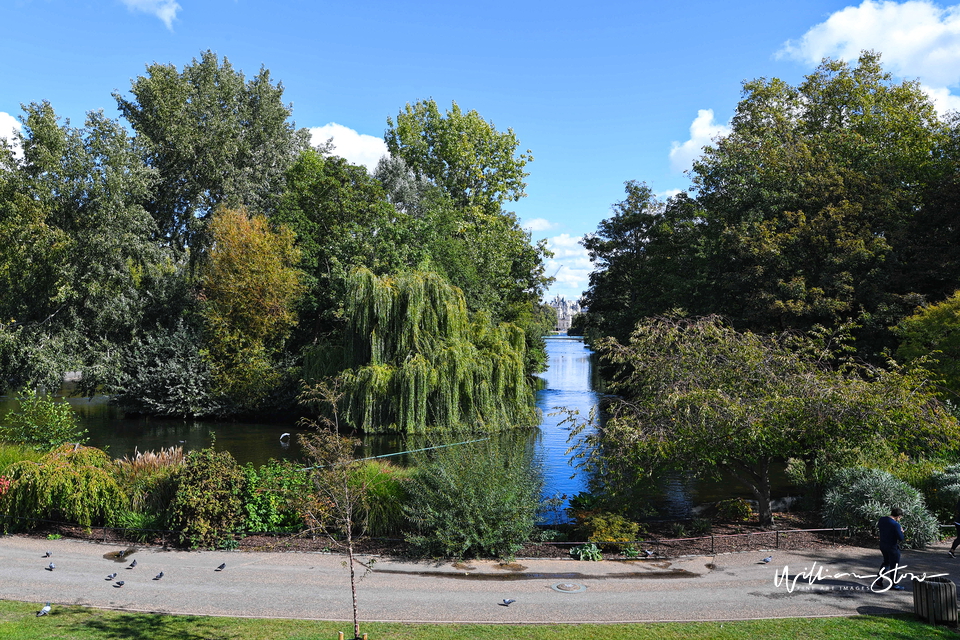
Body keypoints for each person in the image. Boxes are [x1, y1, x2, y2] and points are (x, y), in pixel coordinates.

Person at [878, 507, 906, 590]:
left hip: (883, 544)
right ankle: (894, 584)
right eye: (900, 518)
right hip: (892, 547)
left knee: (886, 562)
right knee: (894, 566)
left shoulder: (882, 519)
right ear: (898, 516)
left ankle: (879, 578)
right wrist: (901, 531)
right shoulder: (896, 524)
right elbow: (901, 538)